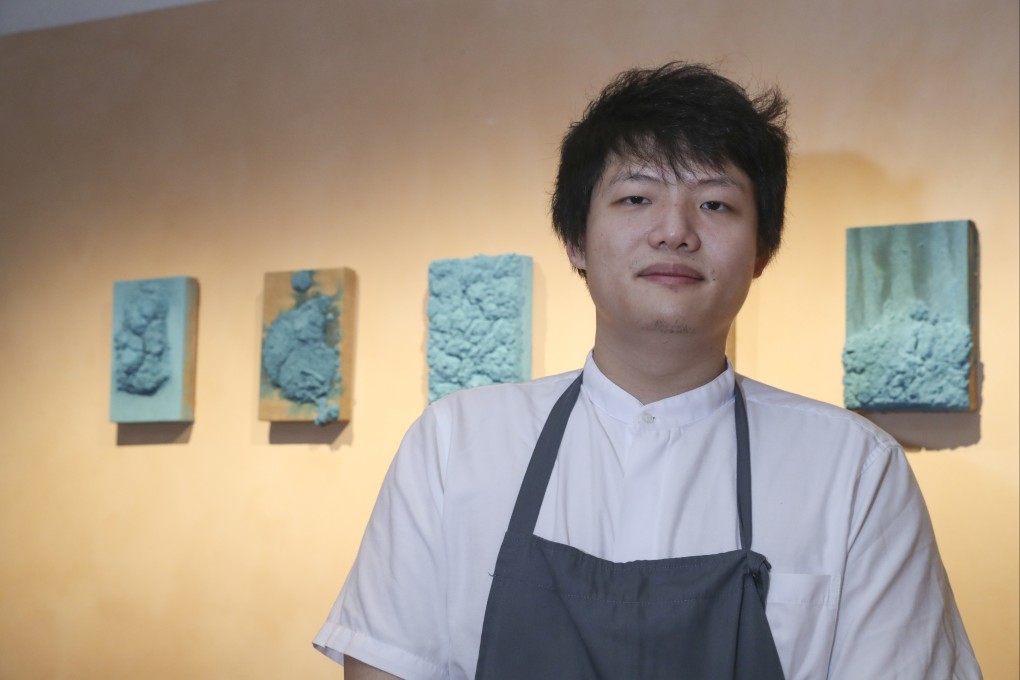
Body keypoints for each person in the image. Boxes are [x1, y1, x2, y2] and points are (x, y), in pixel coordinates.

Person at [314, 62, 981, 679]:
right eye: (637, 198)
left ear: (761, 252)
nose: (675, 231)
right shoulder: (453, 445)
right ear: (575, 240)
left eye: (716, 204)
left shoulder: (856, 470)